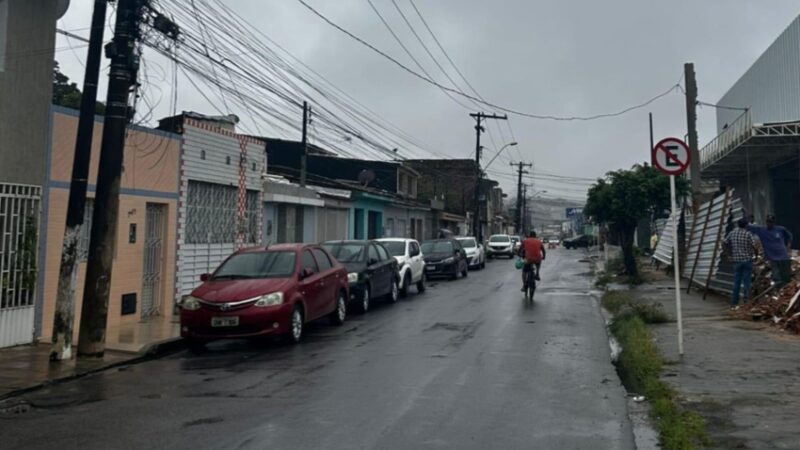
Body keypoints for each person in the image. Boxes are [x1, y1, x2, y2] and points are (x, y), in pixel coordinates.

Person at [748, 215, 793, 290]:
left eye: (771, 222)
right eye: (768, 221)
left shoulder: (781, 229)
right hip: (773, 257)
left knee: (786, 276)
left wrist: (788, 247)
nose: (769, 223)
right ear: (766, 222)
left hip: (784, 256)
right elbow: (749, 227)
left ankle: (786, 290)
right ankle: (778, 292)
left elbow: (789, 236)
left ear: (773, 222)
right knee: (776, 277)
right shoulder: (761, 229)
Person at [723, 218, 756, 310]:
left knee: (736, 282)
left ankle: (734, 303)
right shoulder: (748, 234)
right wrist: (756, 255)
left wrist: (729, 255)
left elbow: (724, 243)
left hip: (736, 261)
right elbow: (754, 246)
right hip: (747, 260)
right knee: (747, 282)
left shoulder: (732, 233)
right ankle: (746, 302)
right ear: (746, 225)